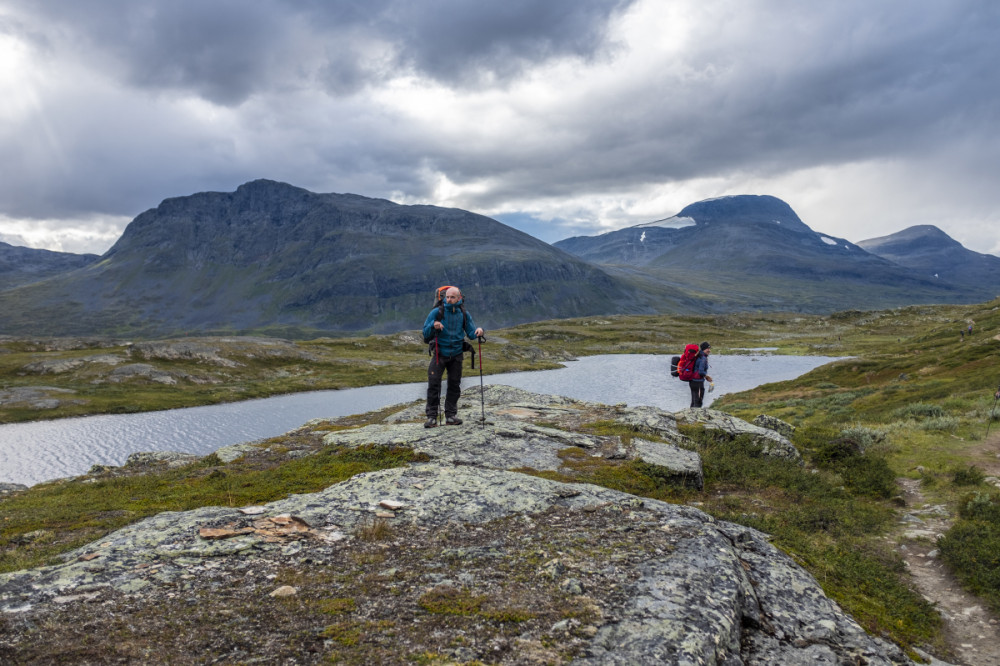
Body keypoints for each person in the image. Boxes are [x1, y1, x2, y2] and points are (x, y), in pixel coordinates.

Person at [422, 286, 484, 427]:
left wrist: (479, 331)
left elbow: (471, 333)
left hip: (456, 354)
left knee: (454, 385)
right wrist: (433, 325)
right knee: (434, 384)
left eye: (452, 297)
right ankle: (432, 417)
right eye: (447, 297)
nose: (449, 300)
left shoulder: (463, 314)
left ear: (459, 298)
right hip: (439, 354)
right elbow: (425, 333)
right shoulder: (436, 313)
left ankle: (450, 416)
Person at [689, 341, 714, 408]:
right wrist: (707, 376)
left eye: (709, 348)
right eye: (707, 349)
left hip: (692, 381)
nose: (709, 350)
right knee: (698, 401)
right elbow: (701, 371)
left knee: (694, 401)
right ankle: (696, 417)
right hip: (698, 382)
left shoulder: (698, 355)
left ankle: (690, 415)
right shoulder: (703, 358)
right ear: (703, 349)